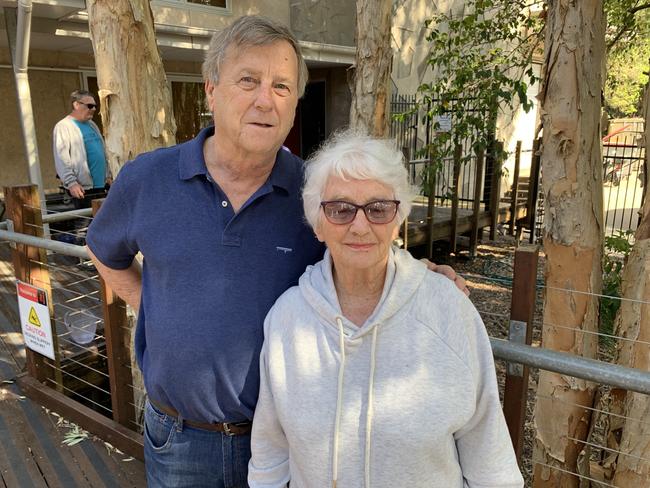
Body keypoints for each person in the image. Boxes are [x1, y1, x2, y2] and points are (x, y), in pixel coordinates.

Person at [86, 15, 466, 488]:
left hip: (291, 443)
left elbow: (363, 249)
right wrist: (153, 306)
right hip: (180, 438)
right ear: (211, 89)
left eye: (282, 86)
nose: (266, 99)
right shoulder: (148, 179)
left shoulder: (314, 194)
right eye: (249, 80)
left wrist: (415, 274)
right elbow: (104, 250)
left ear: (293, 105)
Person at [248, 132, 523, 487]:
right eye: (341, 209)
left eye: (378, 209)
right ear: (318, 224)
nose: (360, 226)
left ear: (397, 218)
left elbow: (492, 467)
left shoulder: (449, 312)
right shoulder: (287, 320)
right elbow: (271, 458)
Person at [53, 89, 110, 209]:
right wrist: (71, 183)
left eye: (95, 106)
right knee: (84, 225)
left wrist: (108, 175)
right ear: (76, 105)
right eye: (90, 106)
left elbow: (102, 152)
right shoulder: (63, 127)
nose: (94, 109)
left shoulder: (92, 125)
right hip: (82, 189)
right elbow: (62, 159)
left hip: (101, 186)